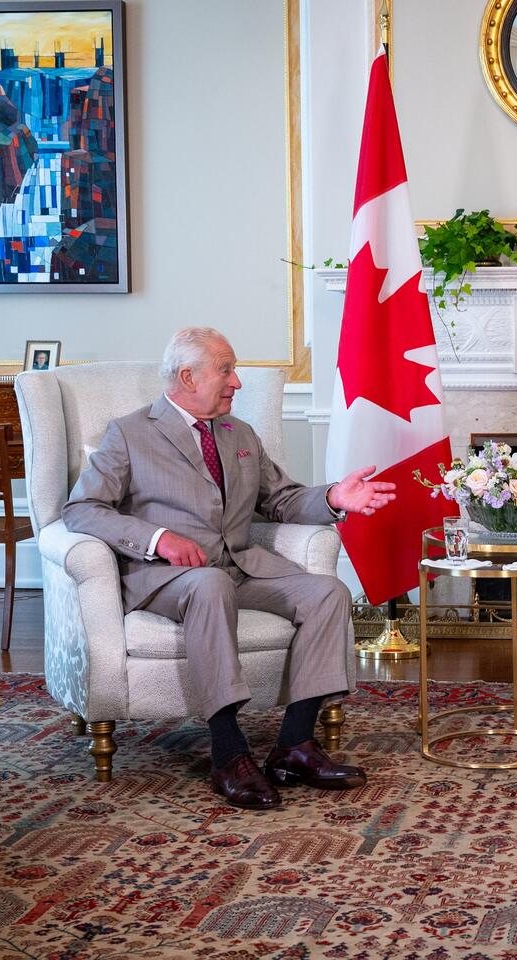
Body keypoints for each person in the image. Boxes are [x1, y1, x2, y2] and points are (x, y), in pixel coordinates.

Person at [62, 327, 397, 810]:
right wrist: (158, 539)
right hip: (166, 578)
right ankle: (228, 751)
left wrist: (332, 497)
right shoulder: (130, 433)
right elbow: (83, 508)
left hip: (239, 567)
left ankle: (294, 746)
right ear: (187, 376)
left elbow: (279, 499)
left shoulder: (239, 433)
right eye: (226, 370)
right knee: (210, 585)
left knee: (329, 592)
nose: (237, 382)